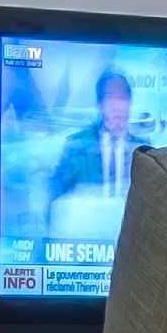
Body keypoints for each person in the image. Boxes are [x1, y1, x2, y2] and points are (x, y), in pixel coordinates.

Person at [45, 68, 142, 222]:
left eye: (123, 97)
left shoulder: (143, 149)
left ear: (130, 103)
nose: (117, 106)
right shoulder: (77, 145)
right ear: (100, 104)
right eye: (111, 98)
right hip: (82, 232)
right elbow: (56, 194)